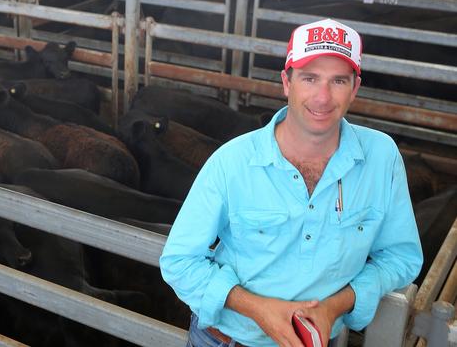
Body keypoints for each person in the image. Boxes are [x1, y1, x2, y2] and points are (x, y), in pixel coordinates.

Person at [159, 18, 423, 347]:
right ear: (287, 82)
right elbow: (179, 262)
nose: (323, 97)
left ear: (354, 88)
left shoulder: (382, 158)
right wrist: (257, 309)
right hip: (226, 340)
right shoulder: (233, 162)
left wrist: (335, 306)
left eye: (338, 80)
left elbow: (401, 258)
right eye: (310, 78)